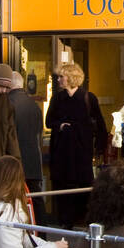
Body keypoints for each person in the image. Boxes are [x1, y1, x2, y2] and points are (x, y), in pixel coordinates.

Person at [45, 62, 105, 230]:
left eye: (61, 77)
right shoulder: (57, 98)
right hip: (61, 152)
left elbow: (100, 125)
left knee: (83, 185)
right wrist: (60, 125)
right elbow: (49, 121)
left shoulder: (88, 98)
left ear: (71, 78)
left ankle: (84, 219)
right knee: (62, 185)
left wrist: (99, 149)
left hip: (81, 152)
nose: (58, 80)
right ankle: (65, 220)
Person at [9, 72, 44, 217]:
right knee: (35, 199)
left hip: (15, 159)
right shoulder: (34, 105)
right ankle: (42, 233)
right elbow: (39, 131)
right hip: (33, 160)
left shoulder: (7, 103)